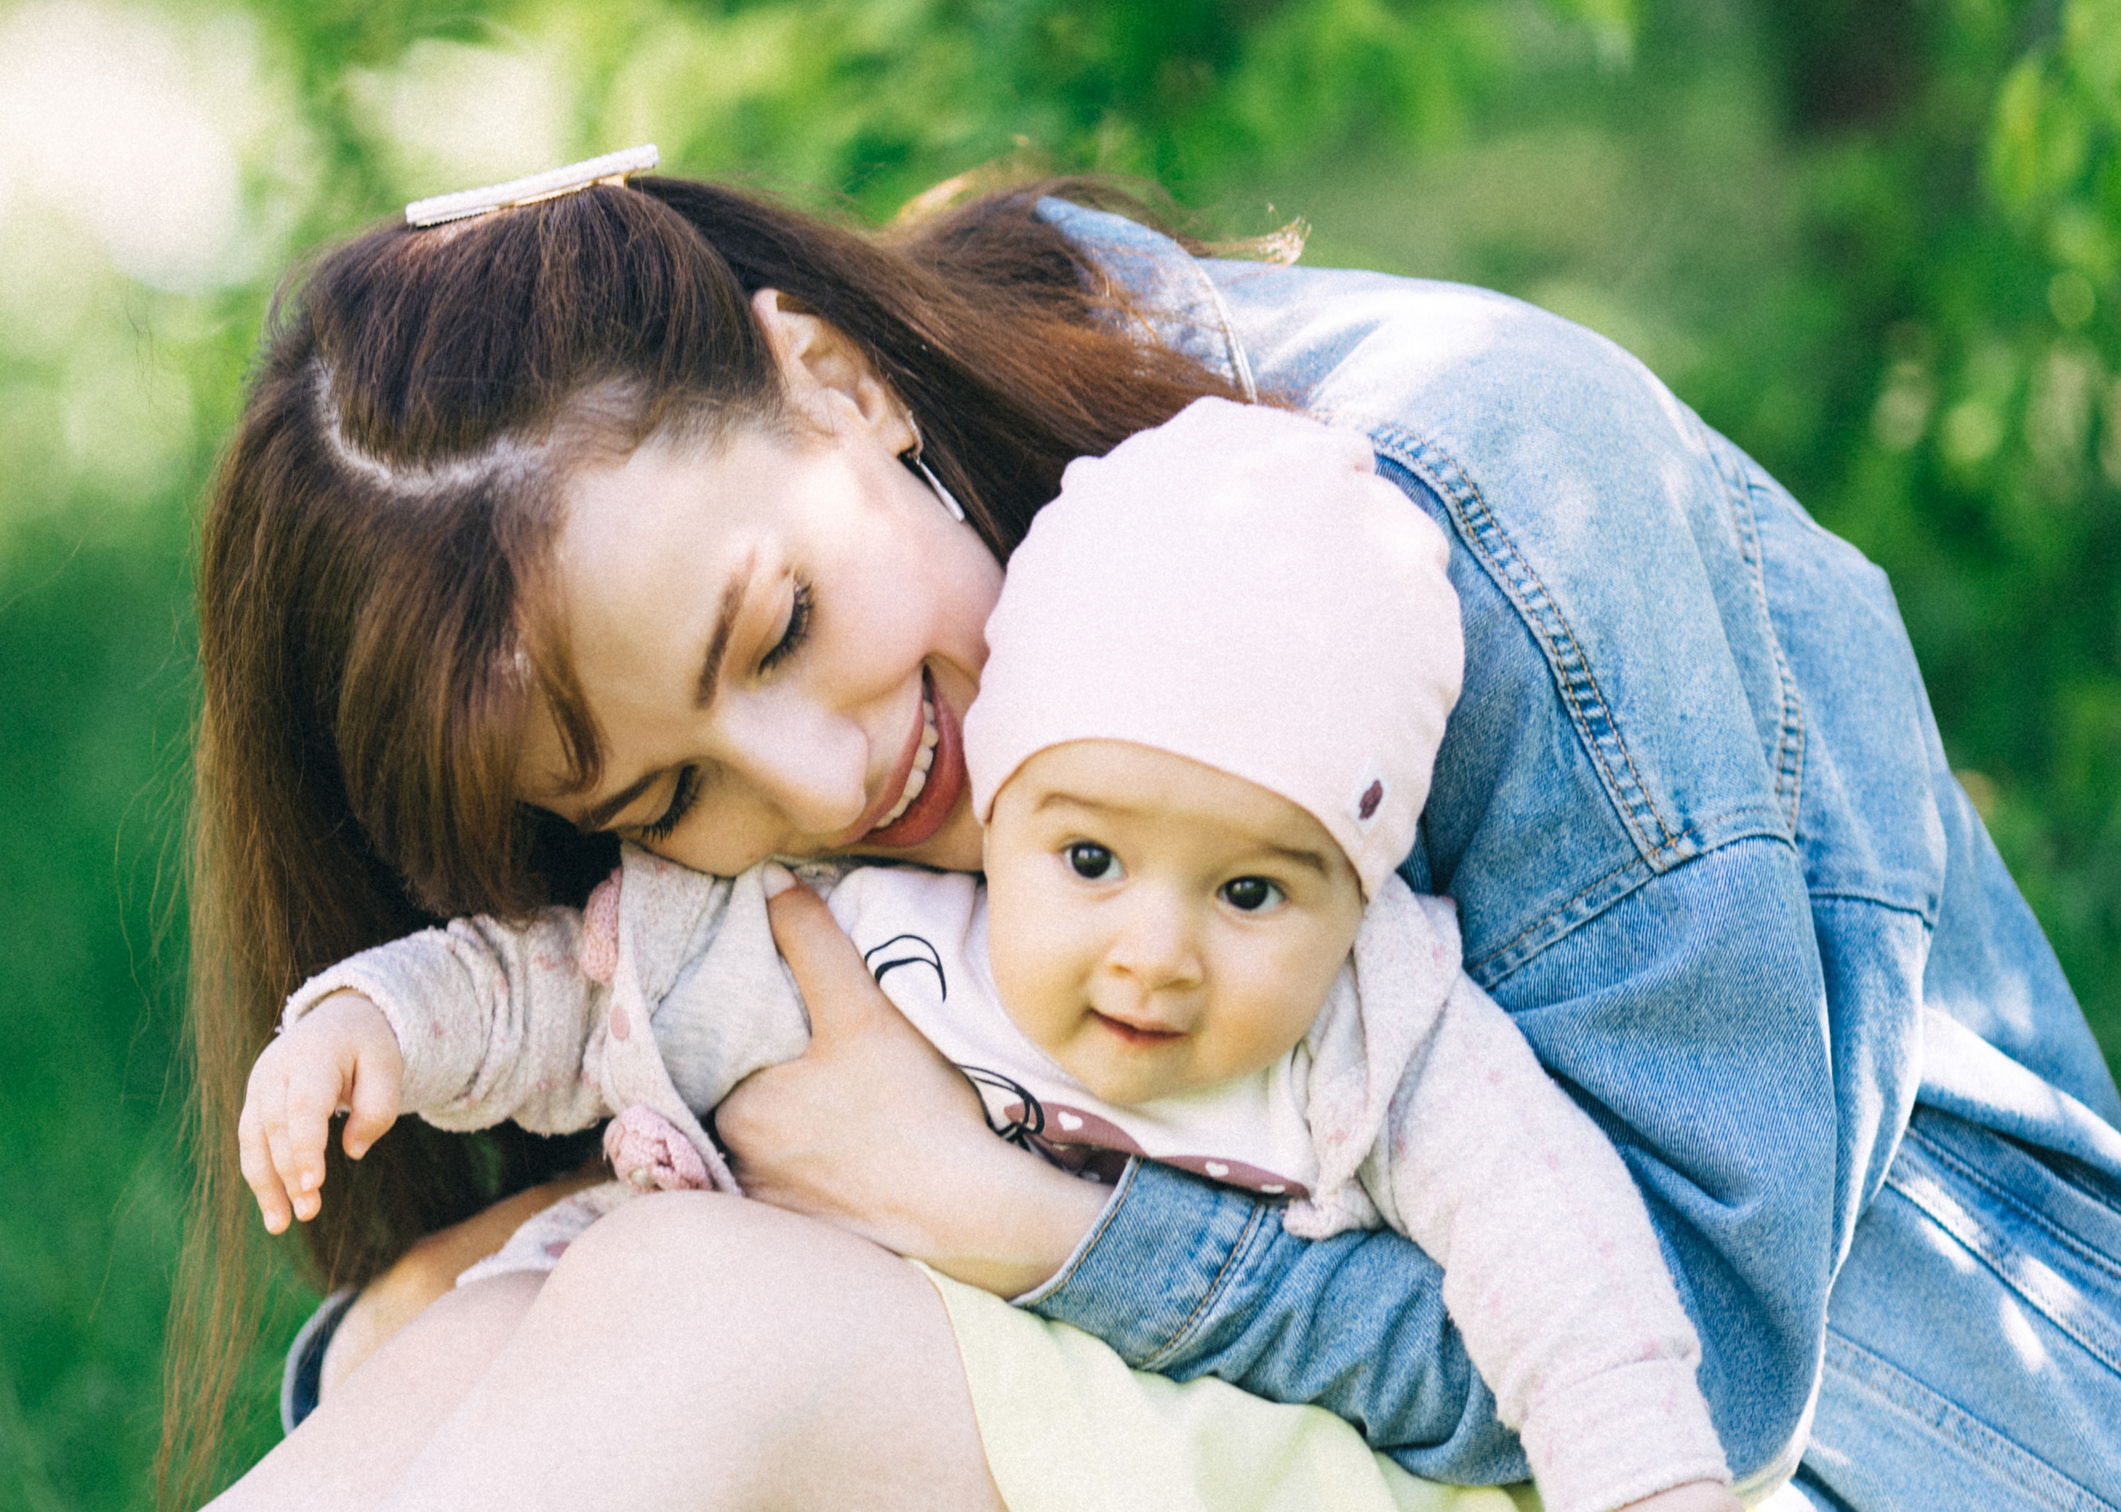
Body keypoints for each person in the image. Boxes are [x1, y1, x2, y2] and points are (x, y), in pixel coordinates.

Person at [166, 153, 2121, 1512]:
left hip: (1841, 1440)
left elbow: (1695, 1362)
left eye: (774, 626)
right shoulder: (875, 703)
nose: (817, 787)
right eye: (662, 796)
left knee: (698, 1313)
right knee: (483, 1319)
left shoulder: (1464, 512)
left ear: (833, 380)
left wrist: (1029, 1224)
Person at [238, 396, 1742, 1512]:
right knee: (458, 1343)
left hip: (1267, 1442)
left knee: (676, 1291)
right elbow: (547, 988)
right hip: (939, 1391)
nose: (1152, 952)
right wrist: (371, 1017)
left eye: (1249, 890)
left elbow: (1590, 1298)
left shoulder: (1377, 1026)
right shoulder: (816, 906)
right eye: (1088, 857)